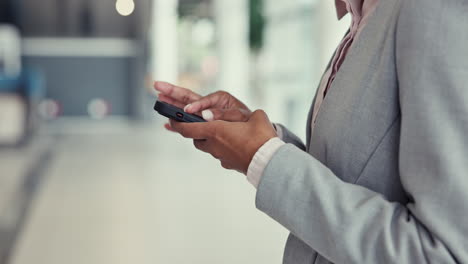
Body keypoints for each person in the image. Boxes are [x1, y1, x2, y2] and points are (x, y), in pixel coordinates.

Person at [155, 0, 468, 263]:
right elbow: (353, 173)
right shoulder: (363, 17)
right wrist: (259, 138)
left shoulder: (432, 11)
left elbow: (442, 253)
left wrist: (263, 158)